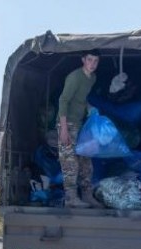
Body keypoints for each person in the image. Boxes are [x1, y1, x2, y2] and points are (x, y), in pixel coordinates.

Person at [57, 50, 101, 208]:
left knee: (86, 162)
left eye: (96, 61)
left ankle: (87, 196)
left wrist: (89, 107)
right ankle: (71, 198)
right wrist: (63, 129)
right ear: (83, 60)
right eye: (90, 60)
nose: (92, 64)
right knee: (70, 162)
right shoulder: (75, 77)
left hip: (80, 124)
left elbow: (81, 99)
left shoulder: (92, 78)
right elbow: (63, 101)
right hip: (68, 124)